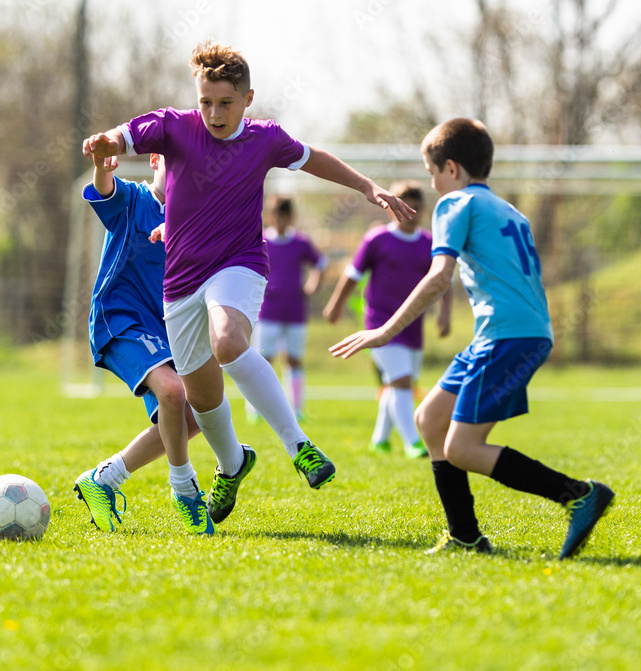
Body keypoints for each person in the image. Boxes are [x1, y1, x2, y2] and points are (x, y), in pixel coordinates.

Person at [82, 40, 415, 525]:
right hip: (180, 286)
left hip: (237, 265)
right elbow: (123, 135)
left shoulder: (265, 139)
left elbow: (313, 156)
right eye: (206, 102)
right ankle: (232, 464)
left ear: (248, 98)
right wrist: (104, 144)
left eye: (225, 102)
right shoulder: (174, 127)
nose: (214, 113)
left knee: (228, 340)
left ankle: (299, 445)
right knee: (201, 399)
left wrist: (368, 186)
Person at [331, 118, 614, 559]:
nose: (432, 184)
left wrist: (386, 330)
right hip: (511, 333)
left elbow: (440, 276)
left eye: (431, 173)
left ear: (451, 168)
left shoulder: (454, 205)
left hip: (508, 336)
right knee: (429, 421)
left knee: (461, 448)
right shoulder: (508, 210)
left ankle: (577, 494)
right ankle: (464, 534)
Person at [72, 151, 214, 535]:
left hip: (166, 331)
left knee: (195, 416)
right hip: (119, 320)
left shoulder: (193, 221)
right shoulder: (133, 199)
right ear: (155, 160)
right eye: (175, 163)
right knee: (172, 391)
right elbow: (105, 188)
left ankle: (103, 479)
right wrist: (103, 165)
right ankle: (184, 489)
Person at [323, 181, 450, 458]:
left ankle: (380, 439)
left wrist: (445, 314)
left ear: (423, 210)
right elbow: (352, 275)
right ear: (391, 208)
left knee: (399, 383)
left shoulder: (430, 243)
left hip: (413, 327)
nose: (410, 212)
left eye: (415, 207)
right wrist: (335, 305)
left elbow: (442, 279)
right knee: (402, 381)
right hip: (378, 325)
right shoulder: (377, 240)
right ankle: (413, 443)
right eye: (403, 205)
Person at [247, 195, 327, 423]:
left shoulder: (300, 243)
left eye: (285, 216)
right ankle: (256, 409)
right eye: (277, 215)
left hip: (295, 311)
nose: (281, 220)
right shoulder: (261, 241)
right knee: (262, 361)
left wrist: (312, 285)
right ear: (271, 216)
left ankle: (297, 409)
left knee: (294, 360)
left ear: (291, 217)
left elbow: (320, 264)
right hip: (267, 311)